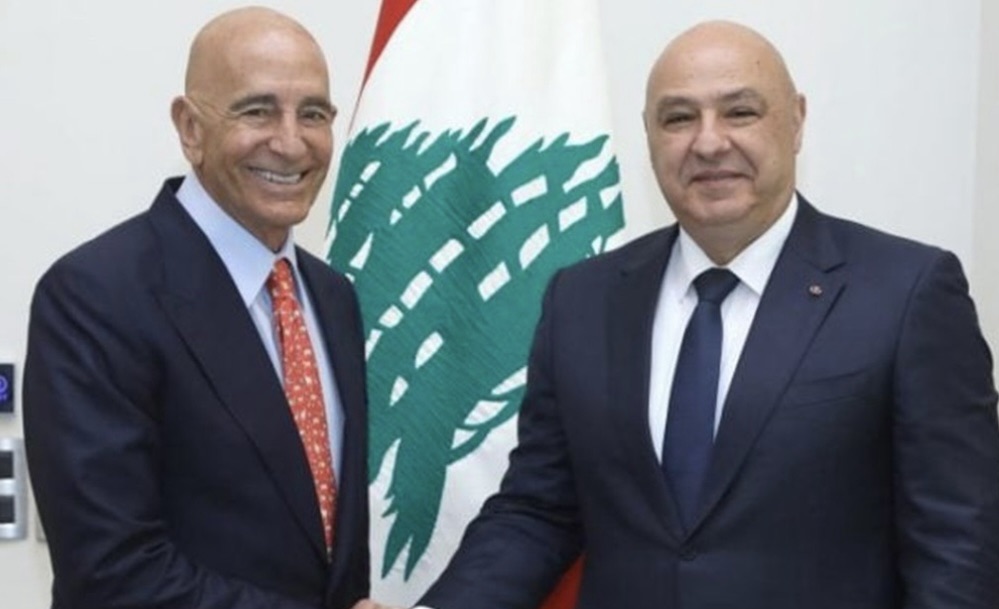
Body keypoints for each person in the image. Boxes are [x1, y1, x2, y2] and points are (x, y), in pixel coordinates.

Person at [358, 19, 999, 609]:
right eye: (678, 118)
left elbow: (958, 544)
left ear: (797, 121)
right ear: (649, 134)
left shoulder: (907, 293)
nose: (709, 142)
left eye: (740, 111)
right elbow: (539, 511)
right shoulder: (581, 299)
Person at [23, 7, 369, 609]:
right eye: (257, 110)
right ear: (190, 128)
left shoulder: (333, 297)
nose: (291, 142)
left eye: (314, 114)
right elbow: (111, 574)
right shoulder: (94, 297)